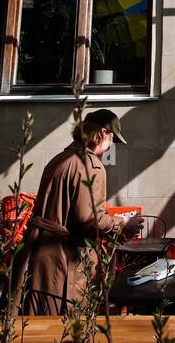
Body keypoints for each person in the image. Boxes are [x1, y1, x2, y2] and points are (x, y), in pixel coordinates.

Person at [8, 109, 142, 314]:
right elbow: (89, 220)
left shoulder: (60, 159)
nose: (110, 147)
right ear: (104, 133)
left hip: (39, 256)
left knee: (33, 329)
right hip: (64, 266)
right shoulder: (91, 166)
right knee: (64, 334)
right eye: (112, 138)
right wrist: (123, 223)